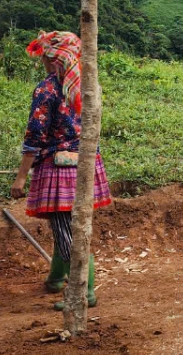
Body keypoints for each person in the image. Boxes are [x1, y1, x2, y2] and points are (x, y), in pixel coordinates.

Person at [10, 31, 111, 309]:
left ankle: (83, 293)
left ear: (53, 60)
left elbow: (35, 136)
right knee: (66, 228)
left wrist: (21, 177)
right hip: (88, 164)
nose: (42, 61)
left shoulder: (48, 90)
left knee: (68, 233)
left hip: (59, 169)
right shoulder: (88, 85)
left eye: (44, 56)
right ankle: (56, 280)